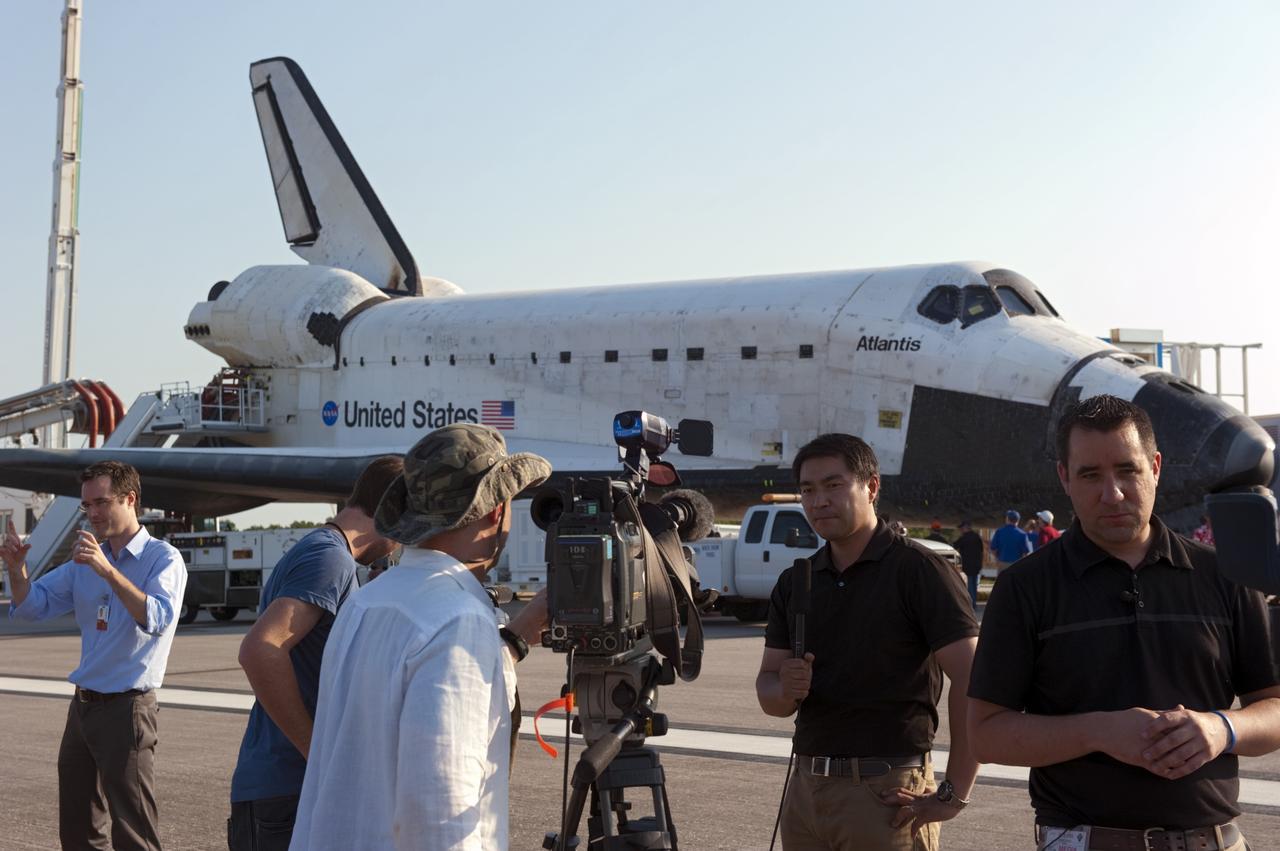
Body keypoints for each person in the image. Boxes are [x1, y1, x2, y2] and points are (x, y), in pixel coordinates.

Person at [968, 394, 1280, 850]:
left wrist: (1221, 729)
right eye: (1090, 475)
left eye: (1127, 470)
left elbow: (1273, 709)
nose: (1111, 493)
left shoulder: (1227, 576)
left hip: (1211, 840)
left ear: (1155, 467)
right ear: (1064, 477)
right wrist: (1099, 731)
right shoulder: (1025, 588)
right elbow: (985, 736)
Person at [289, 423, 551, 850]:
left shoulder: (365, 603)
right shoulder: (457, 619)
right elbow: (439, 809)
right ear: (495, 512)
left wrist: (512, 643)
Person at [756, 433, 980, 850]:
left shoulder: (920, 571)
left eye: (833, 485)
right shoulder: (797, 582)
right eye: (808, 490)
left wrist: (954, 791)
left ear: (871, 487)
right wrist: (784, 687)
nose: (818, 500)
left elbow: (973, 680)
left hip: (886, 792)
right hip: (805, 792)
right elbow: (770, 696)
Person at [3, 461, 186, 851]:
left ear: (130, 499)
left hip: (127, 708)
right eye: (87, 506)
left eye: (102, 502)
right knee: (77, 827)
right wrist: (17, 571)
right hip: (83, 707)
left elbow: (156, 617)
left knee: (134, 830)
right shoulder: (84, 562)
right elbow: (33, 606)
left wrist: (108, 571)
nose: (93, 513)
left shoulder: (163, 559)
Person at [228, 455, 405, 851]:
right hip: (287, 787)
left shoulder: (322, 550)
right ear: (393, 509)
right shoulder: (330, 558)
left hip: (280, 787)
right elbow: (261, 649)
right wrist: (317, 751)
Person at [951, 520, 984, 610]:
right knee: (974, 585)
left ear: (966, 527)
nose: (961, 530)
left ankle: (971, 605)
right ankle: (974, 604)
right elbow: (981, 551)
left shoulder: (964, 538)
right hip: (976, 566)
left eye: (962, 528)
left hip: (967, 566)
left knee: (969, 586)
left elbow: (954, 546)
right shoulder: (977, 537)